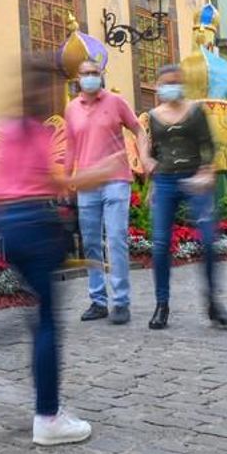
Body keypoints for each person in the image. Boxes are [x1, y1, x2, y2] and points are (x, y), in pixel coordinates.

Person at [0, 55, 122, 446]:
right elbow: (58, 183)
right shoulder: (36, 132)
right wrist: (102, 172)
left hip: (6, 229)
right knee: (48, 322)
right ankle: (48, 416)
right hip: (36, 226)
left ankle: (45, 403)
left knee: (37, 314)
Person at [141, 64, 227, 331]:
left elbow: (208, 146)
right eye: (165, 82)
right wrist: (149, 174)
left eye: (175, 81)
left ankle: (213, 303)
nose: (171, 86)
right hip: (165, 181)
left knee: (207, 240)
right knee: (160, 245)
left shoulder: (195, 112)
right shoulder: (153, 115)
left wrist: (207, 172)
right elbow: (150, 150)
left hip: (194, 179)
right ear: (158, 85)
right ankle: (162, 304)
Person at [63, 59, 145, 325]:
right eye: (85, 73)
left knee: (116, 239)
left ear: (101, 76)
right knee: (90, 244)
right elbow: (71, 146)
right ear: (78, 77)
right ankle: (98, 300)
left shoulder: (116, 102)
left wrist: (142, 157)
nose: (90, 77)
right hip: (87, 183)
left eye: (94, 73)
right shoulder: (72, 108)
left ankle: (121, 302)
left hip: (116, 180)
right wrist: (66, 179)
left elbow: (137, 128)